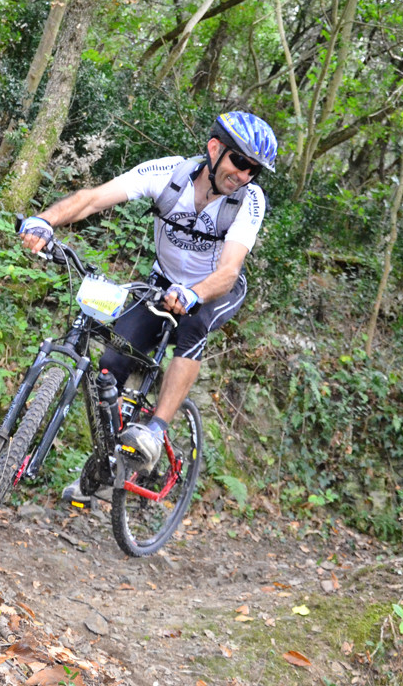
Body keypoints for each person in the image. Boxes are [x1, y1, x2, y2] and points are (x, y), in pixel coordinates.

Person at [19, 111, 277, 502]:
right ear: (214, 149)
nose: (244, 175)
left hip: (215, 290)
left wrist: (193, 294)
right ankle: (106, 466)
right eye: (239, 161)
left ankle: (155, 431)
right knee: (113, 362)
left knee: (193, 327)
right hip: (164, 281)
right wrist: (44, 220)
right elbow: (93, 199)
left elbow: (229, 271)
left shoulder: (249, 200)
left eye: (253, 170)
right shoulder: (169, 174)